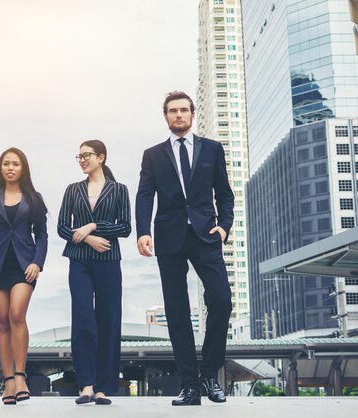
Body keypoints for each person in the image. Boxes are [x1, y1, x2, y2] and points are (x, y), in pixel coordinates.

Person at [135, 91, 234, 406]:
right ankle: (190, 386)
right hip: (169, 236)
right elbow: (144, 194)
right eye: (172, 111)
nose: (178, 115)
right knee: (176, 312)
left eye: (183, 110)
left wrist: (224, 226)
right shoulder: (153, 154)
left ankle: (210, 373)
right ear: (165, 116)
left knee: (221, 300)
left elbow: (225, 193)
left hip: (206, 234)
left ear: (192, 114)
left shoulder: (212, 149)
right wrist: (142, 231)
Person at [57, 140, 131, 406]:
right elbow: (63, 227)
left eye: (86, 155)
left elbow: (125, 227)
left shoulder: (119, 190)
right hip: (79, 261)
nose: (82, 160)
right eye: (79, 156)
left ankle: (103, 387)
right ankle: (86, 385)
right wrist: (87, 238)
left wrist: (93, 225)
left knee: (109, 320)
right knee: (83, 318)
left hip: (109, 260)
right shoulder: (73, 190)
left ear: (101, 157)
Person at [0, 147, 48, 405]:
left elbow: (41, 235)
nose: (10, 168)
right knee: (3, 321)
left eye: (15, 164)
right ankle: (8, 382)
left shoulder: (34, 198)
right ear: (1, 168)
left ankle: (20, 376)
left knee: (17, 314)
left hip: (24, 264)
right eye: (6, 163)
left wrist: (37, 263)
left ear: (22, 168)